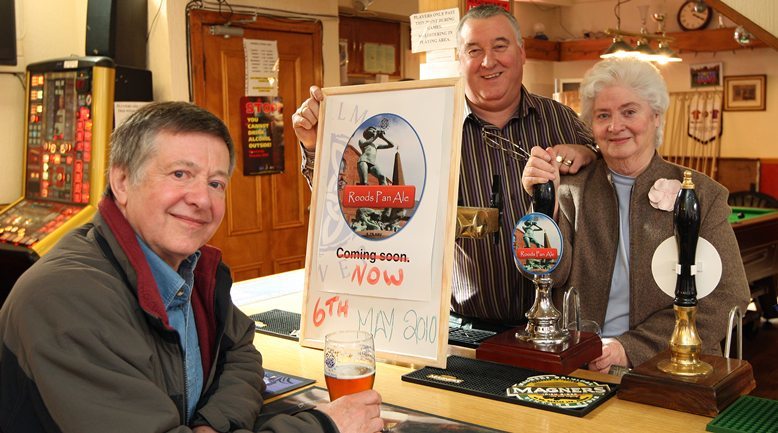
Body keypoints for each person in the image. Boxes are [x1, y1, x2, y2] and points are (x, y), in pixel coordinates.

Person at [0, 102, 384, 433]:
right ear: (121, 181)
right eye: (180, 174)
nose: (201, 198)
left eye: (216, 183)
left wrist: (211, 424)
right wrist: (326, 425)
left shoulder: (189, 269)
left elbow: (240, 352)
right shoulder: (65, 298)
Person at [293, 5, 597, 327]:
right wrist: (316, 146)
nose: (488, 61)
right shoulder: (425, 125)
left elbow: (608, 185)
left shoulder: (560, 120)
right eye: (474, 50)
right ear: (459, 60)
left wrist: (590, 153)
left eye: (500, 46)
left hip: (553, 325)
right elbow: (355, 198)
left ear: (521, 53)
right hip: (461, 329)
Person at [521, 58, 751, 373]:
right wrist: (543, 205)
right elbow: (545, 274)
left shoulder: (703, 194)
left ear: (655, 117)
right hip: (580, 365)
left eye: (630, 112)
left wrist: (629, 349)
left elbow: (729, 296)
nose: (615, 126)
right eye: (603, 115)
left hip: (673, 368)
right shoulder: (570, 190)